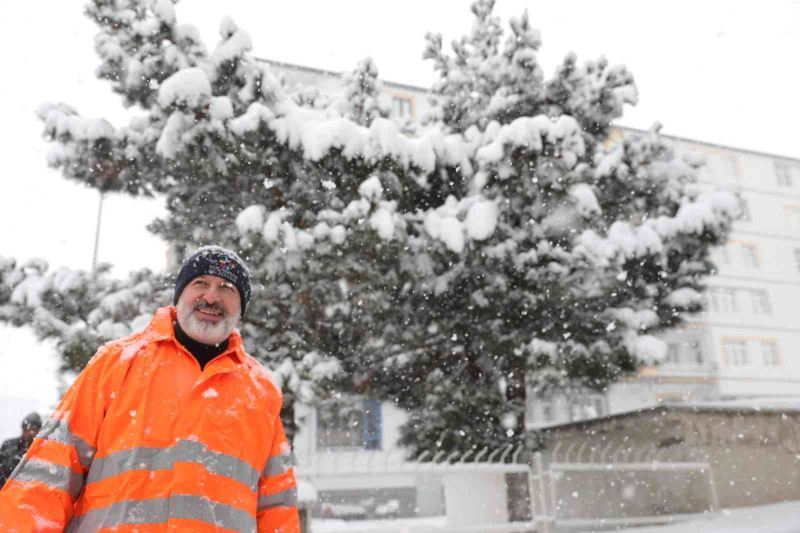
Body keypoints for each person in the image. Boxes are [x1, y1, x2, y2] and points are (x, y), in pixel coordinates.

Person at [0, 246, 300, 532]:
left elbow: (277, 506)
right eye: (201, 283)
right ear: (180, 294)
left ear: (241, 306)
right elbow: (49, 475)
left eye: (227, 288)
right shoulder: (116, 363)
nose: (212, 296)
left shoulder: (260, 391)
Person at [0, 412, 42, 487]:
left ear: (39, 431)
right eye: (26, 429)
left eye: (34, 429)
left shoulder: (41, 449)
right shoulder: (8, 445)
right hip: (5, 489)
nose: (30, 433)